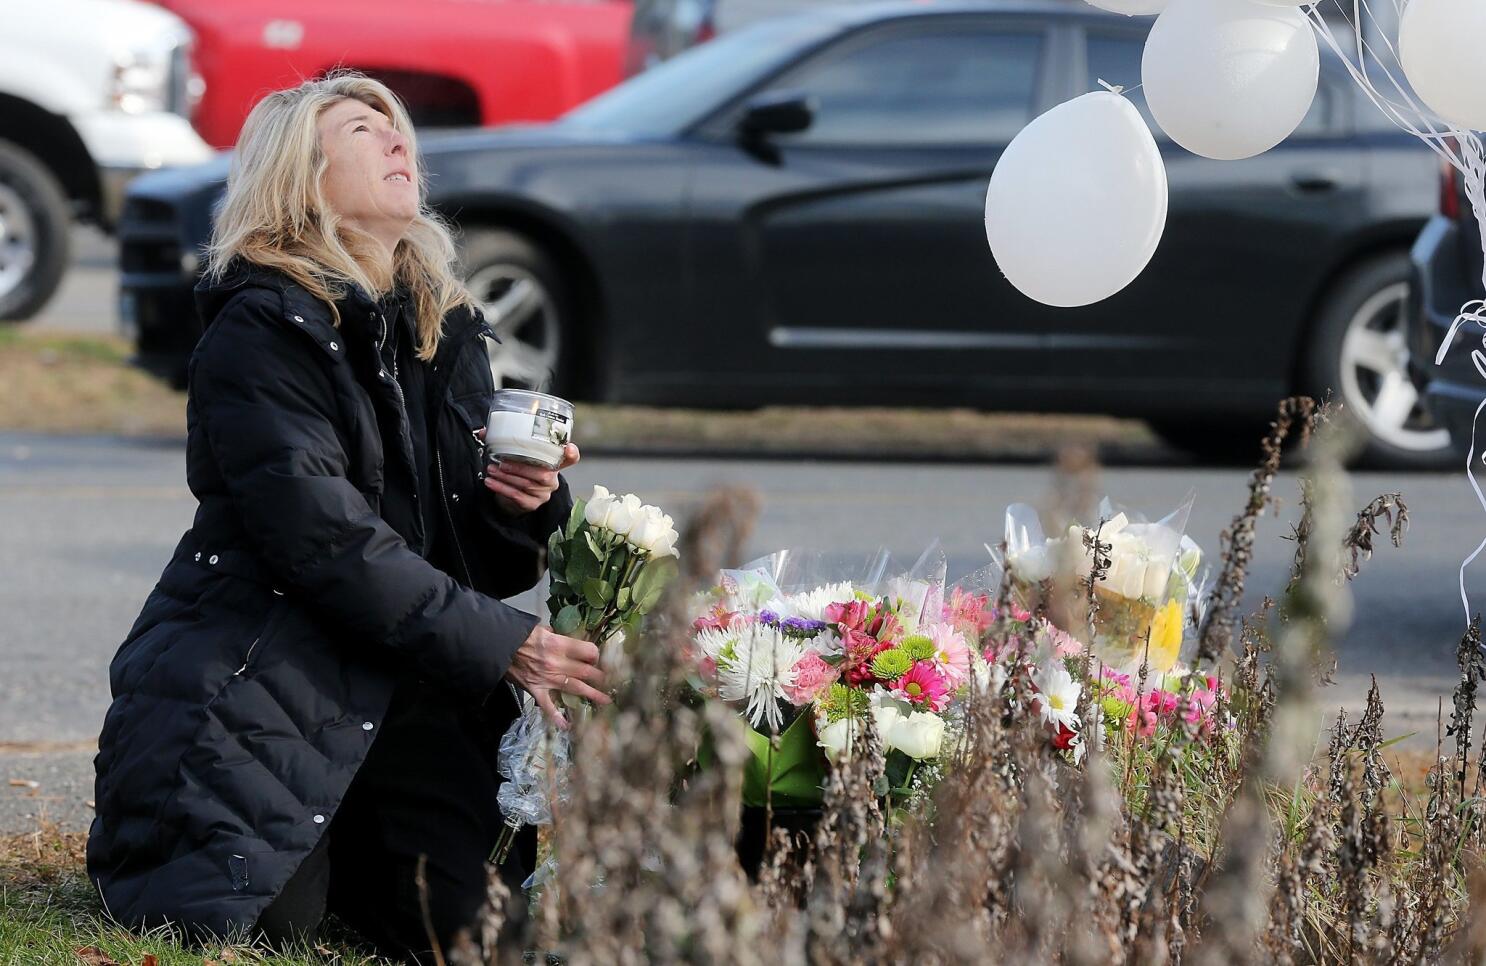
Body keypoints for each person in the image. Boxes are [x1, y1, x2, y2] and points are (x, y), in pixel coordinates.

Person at [86, 73, 605, 962]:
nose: (400, 142)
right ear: (302, 178)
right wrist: (503, 645)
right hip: (269, 666)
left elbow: (477, 558)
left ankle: (363, 830)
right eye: (366, 130)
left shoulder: (446, 325)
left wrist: (528, 502)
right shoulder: (261, 330)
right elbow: (321, 539)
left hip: (408, 678)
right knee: (252, 909)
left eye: (399, 130)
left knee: (486, 933)